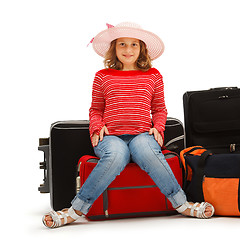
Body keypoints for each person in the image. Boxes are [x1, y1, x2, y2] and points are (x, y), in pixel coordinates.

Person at [42, 22, 215, 228]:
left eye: (134, 45)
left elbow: (159, 109)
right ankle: (75, 210)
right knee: (116, 155)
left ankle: (181, 204)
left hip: (142, 134)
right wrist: (97, 128)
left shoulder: (153, 76)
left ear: (142, 48)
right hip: (111, 137)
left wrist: (158, 127)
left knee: (148, 152)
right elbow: (95, 110)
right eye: (122, 44)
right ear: (114, 48)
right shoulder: (102, 76)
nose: (128, 49)